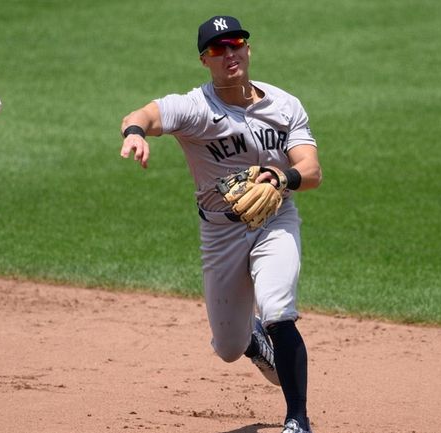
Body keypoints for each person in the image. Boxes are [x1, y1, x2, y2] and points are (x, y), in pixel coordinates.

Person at [119, 15, 322, 433]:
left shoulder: (285, 106)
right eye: (217, 49)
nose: (229, 54)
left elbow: (312, 170)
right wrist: (136, 132)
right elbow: (143, 114)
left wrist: (285, 178)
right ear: (204, 60)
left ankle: (297, 420)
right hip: (219, 231)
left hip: (275, 218)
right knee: (228, 348)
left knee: (278, 308)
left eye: (235, 44)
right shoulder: (195, 108)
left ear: (249, 48)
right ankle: (251, 342)